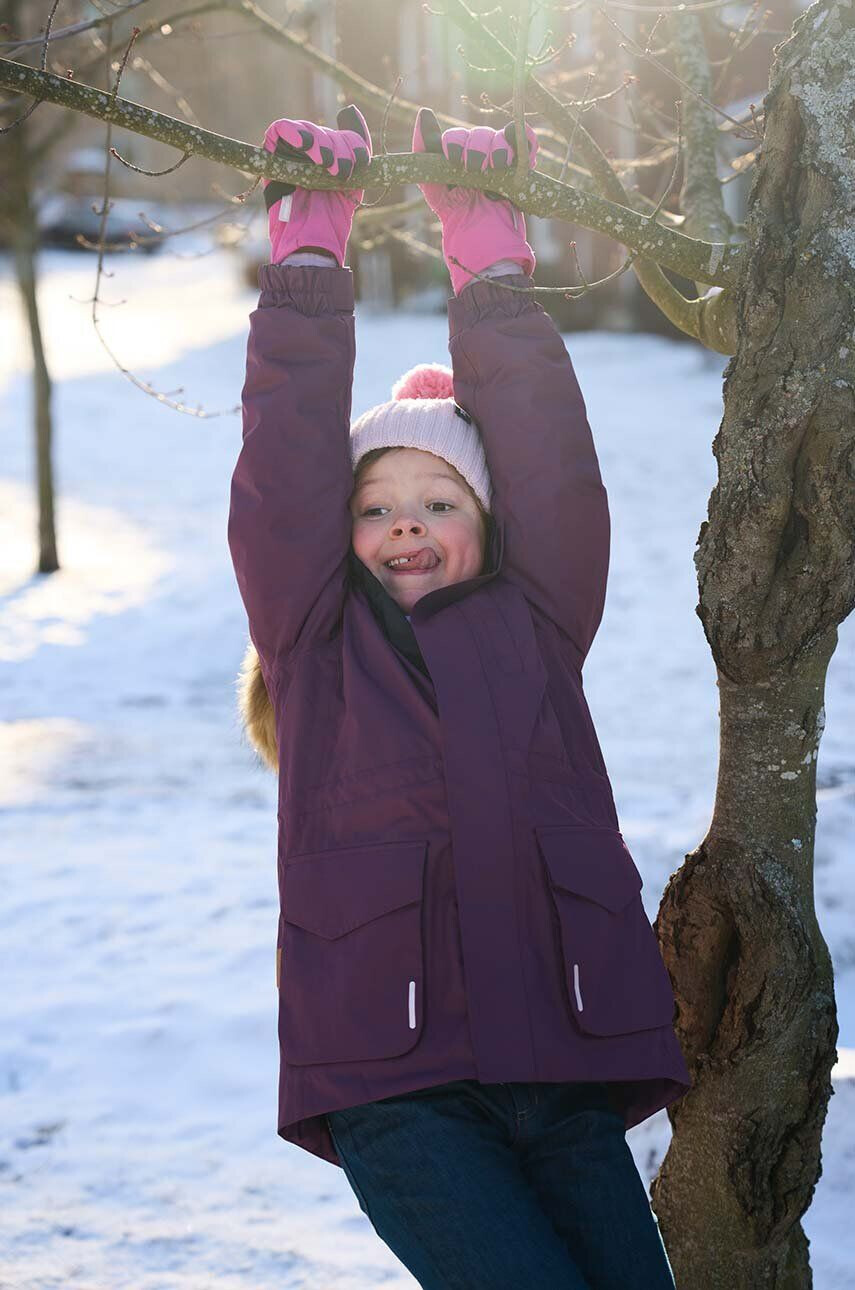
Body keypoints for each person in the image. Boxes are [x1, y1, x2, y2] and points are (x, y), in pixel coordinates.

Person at [227, 101, 691, 1290]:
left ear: (491, 525)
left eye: (440, 503)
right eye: (377, 507)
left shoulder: (536, 628)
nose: (406, 529)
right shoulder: (319, 645)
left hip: (561, 1073)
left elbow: (550, 461)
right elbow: (283, 474)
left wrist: (492, 272)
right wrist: (311, 263)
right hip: (404, 1091)